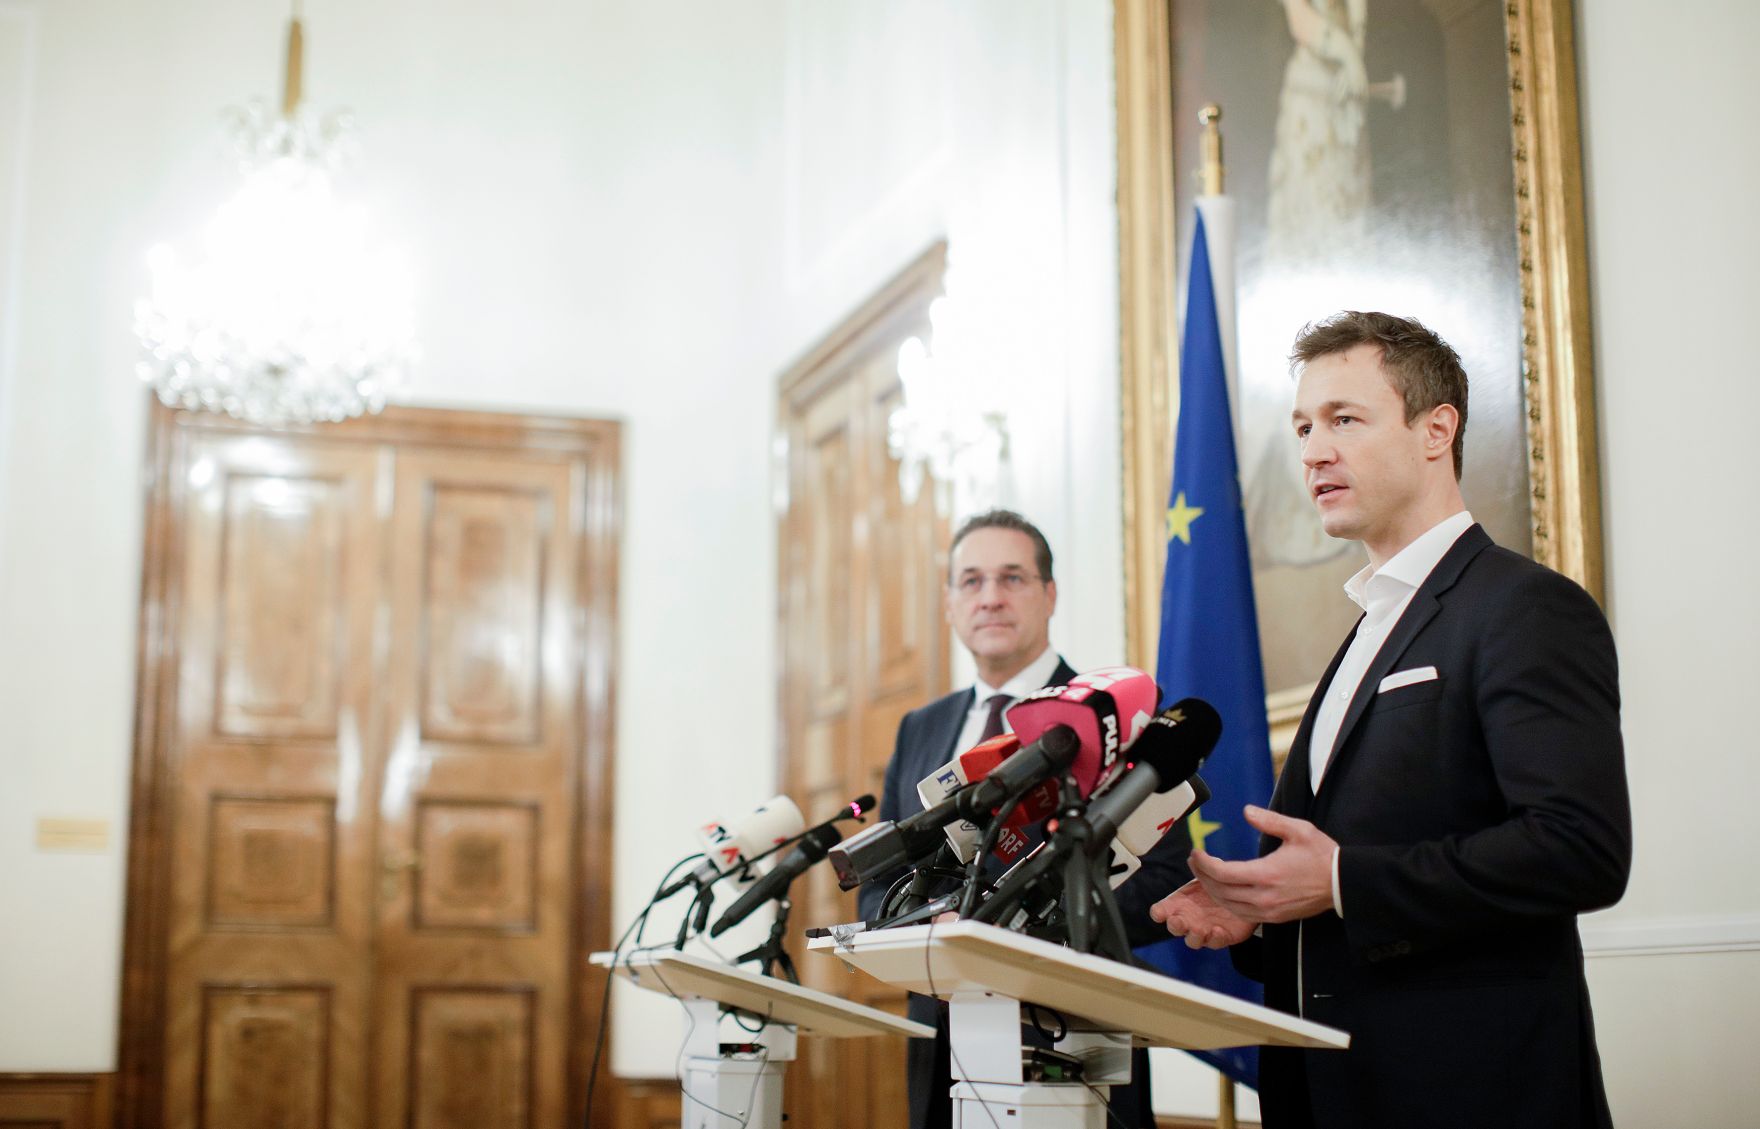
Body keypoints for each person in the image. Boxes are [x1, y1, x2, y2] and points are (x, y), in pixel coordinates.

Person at [1150, 311, 1630, 1128]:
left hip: (1472, 1093)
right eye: (1303, 425)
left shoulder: (1524, 607)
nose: (1312, 450)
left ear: (1436, 429)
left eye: (1344, 418)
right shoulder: (1371, 625)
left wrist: (1338, 879)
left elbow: (1580, 849)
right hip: (1331, 1088)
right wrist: (1264, 911)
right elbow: (1366, 874)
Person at [859, 508, 1187, 1129]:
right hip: (942, 1040)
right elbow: (883, 880)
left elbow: (1164, 878)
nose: (991, 598)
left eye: (1012, 578)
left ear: (1049, 595)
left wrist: (1021, 928)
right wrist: (919, 927)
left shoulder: (1116, 713)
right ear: (951, 604)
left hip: (1073, 1032)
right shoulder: (919, 728)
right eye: (972, 581)